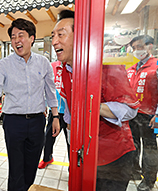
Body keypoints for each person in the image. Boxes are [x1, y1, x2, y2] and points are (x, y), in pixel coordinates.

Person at [51, 10, 140, 191]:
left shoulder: (107, 65)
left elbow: (130, 109)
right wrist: (72, 147)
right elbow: (69, 113)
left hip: (114, 156)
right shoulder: (64, 69)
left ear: (81, 37)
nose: (54, 42)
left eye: (61, 35)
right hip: (84, 152)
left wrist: (91, 106)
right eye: (53, 36)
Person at [0, 18, 60, 191]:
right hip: (13, 123)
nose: (16, 40)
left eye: (21, 35)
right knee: (16, 169)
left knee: (31, 166)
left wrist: (55, 116)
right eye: (13, 37)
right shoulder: (4, 65)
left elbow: (50, 92)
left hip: (37, 122)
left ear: (32, 38)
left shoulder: (43, 63)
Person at [126, 35, 158, 191]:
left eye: (139, 47)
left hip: (151, 116)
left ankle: (149, 180)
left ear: (149, 46)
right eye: (134, 48)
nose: (136, 51)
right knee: (134, 144)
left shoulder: (156, 66)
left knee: (150, 148)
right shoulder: (132, 68)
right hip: (133, 113)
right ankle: (135, 172)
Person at [38, 60, 69, 169]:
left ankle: (73, 166)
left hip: (70, 113)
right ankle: (47, 158)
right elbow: (44, 87)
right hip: (55, 110)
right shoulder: (52, 66)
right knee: (48, 137)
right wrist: (44, 105)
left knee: (71, 142)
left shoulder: (75, 65)